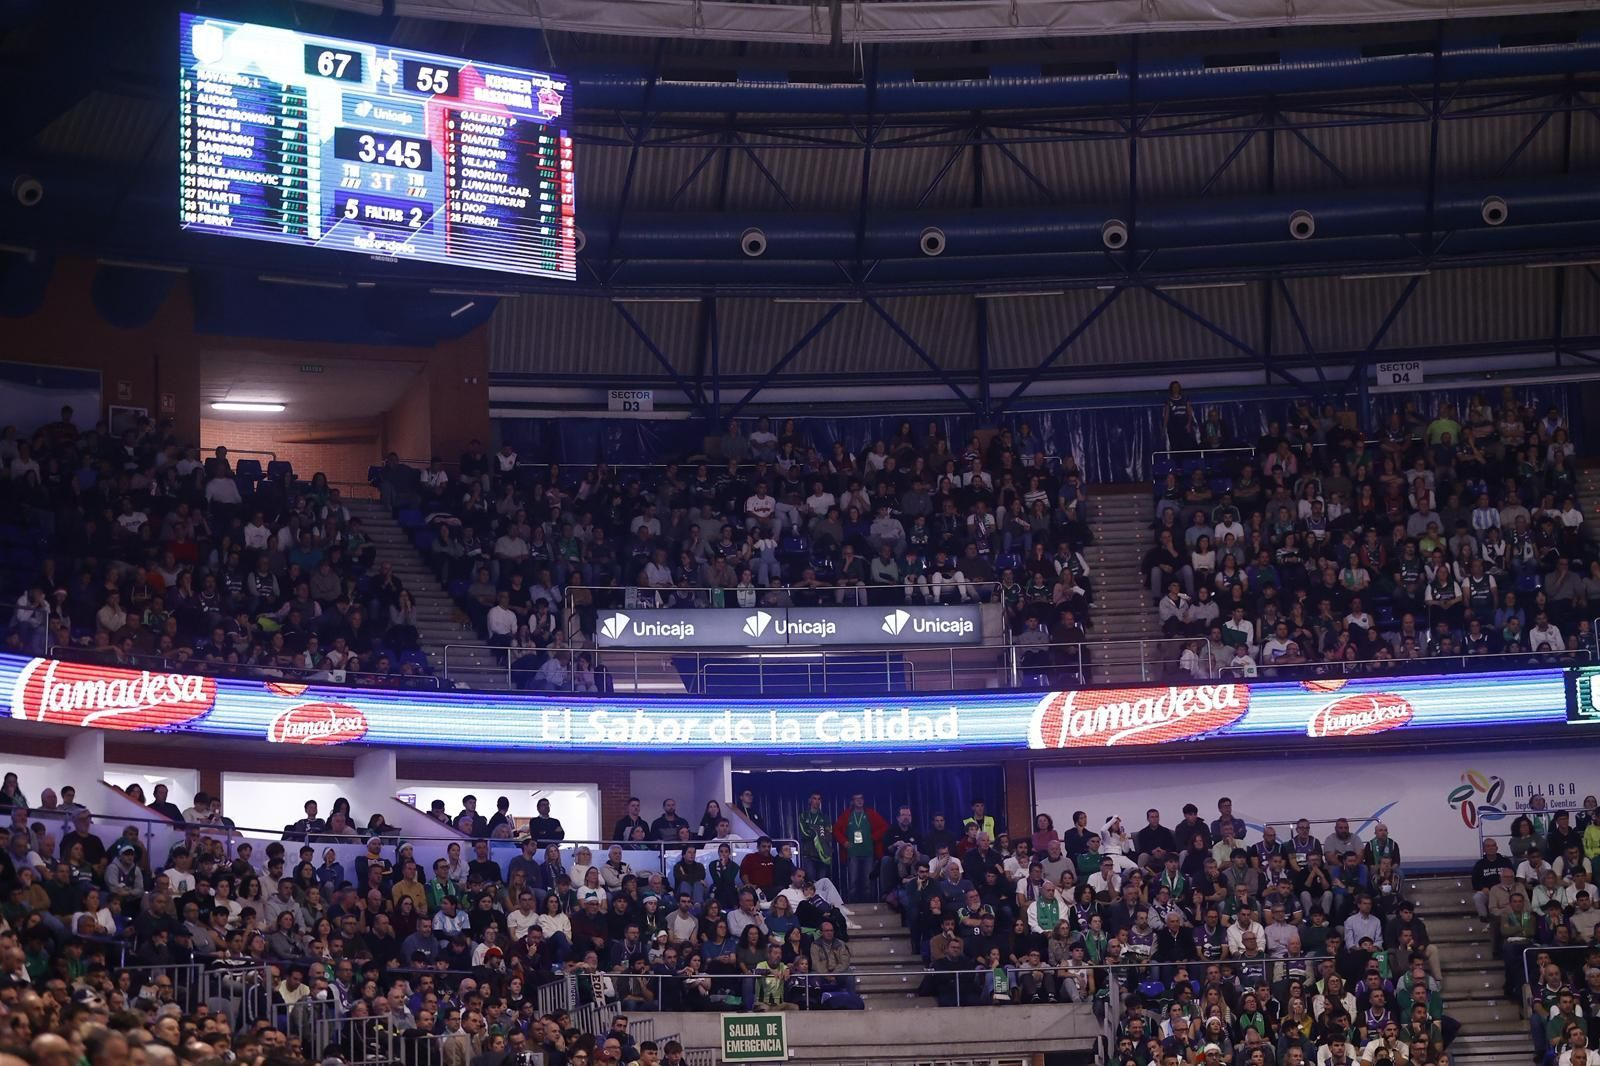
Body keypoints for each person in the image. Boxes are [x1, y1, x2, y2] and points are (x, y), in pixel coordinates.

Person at [834, 794, 888, 903]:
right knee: (853, 880)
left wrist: (873, 837)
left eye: (861, 798)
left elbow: (884, 826)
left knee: (867, 880)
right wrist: (844, 842)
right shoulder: (847, 815)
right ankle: (852, 905)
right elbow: (836, 830)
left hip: (868, 852)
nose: (859, 801)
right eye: (856, 799)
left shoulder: (870, 813)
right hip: (853, 852)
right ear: (852, 801)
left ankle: (868, 904)